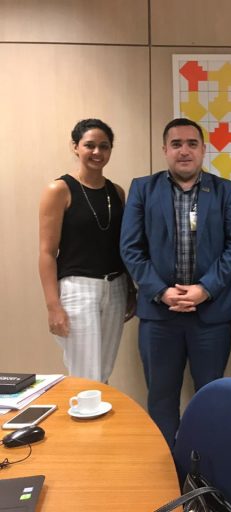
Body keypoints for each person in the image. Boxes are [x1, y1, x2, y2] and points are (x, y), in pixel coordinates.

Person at [120, 118, 231, 448]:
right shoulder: (142, 189)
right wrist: (162, 292)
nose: (184, 151)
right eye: (176, 144)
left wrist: (204, 289)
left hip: (211, 314)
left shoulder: (227, 191)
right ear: (165, 149)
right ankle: (166, 467)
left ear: (203, 149)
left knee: (210, 395)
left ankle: (204, 465)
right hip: (159, 315)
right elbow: (130, 248)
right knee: (161, 397)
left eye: (192, 143)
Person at [38, 119, 135, 383]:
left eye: (104, 146)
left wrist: (130, 290)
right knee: (85, 375)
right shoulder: (59, 190)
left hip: (115, 286)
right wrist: (53, 306)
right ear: (75, 147)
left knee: (103, 373)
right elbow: (47, 252)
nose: (97, 152)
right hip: (78, 287)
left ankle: (99, 412)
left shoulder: (116, 192)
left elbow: (119, 245)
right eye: (89, 145)